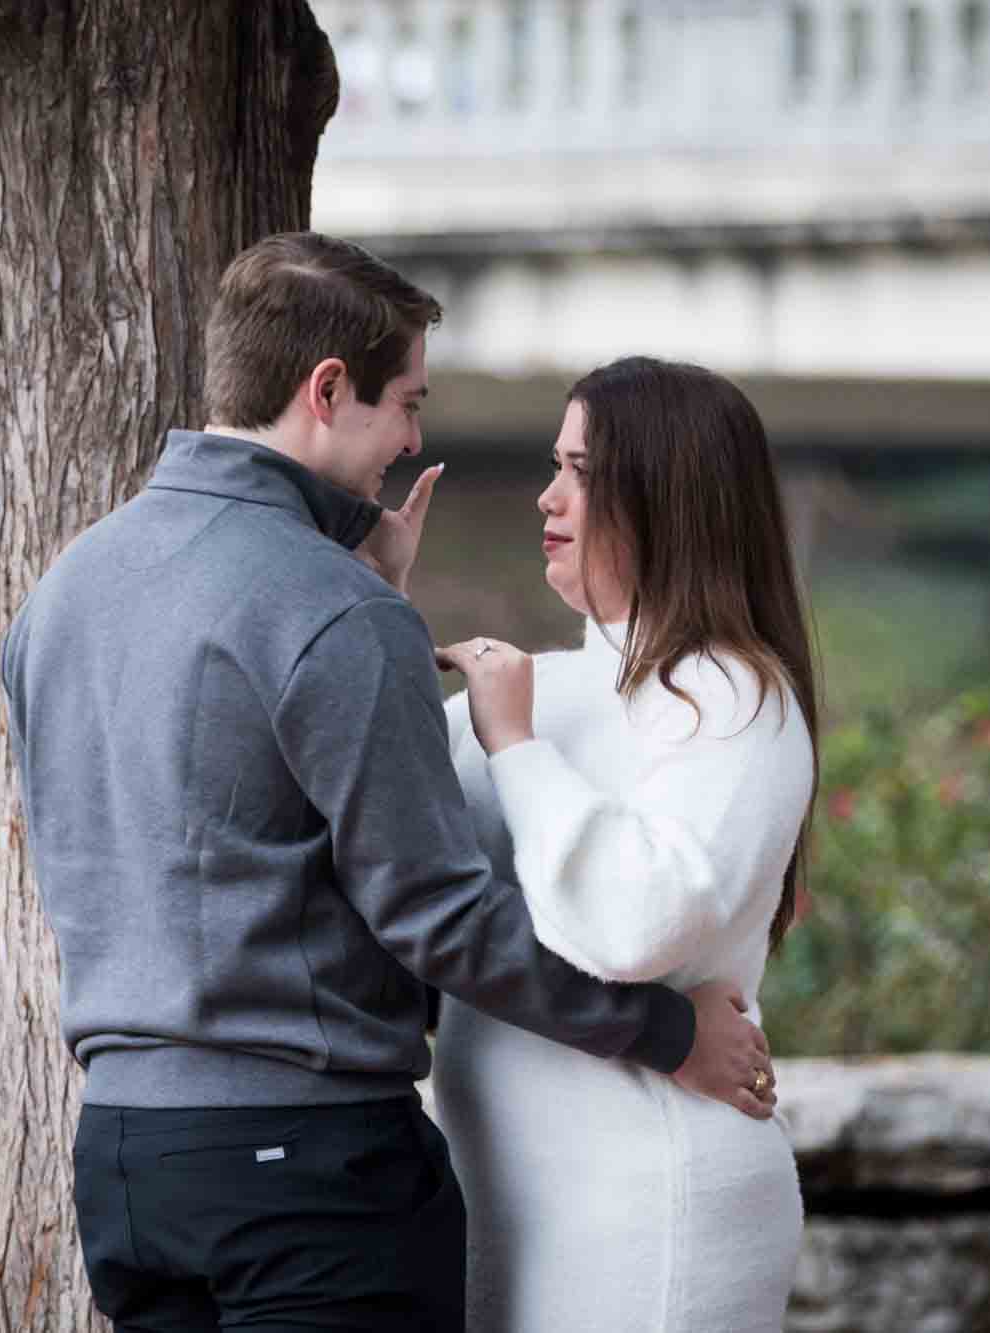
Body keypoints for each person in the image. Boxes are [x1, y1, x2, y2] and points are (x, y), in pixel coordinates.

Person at [0, 236, 778, 1333]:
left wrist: (358, 597)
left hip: (126, 1163)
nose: (413, 437)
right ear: (326, 389)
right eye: (404, 401)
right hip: (308, 1174)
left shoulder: (64, 591)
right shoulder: (334, 613)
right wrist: (664, 1032)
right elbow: (438, 916)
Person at [428, 357, 819, 1331]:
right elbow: (393, 879)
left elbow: (630, 926)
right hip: (504, 1194)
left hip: (651, 1206)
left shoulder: (729, 698)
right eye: (551, 464)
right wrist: (368, 597)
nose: (544, 495)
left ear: (664, 495)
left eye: (579, 471)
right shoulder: (541, 686)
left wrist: (514, 749)